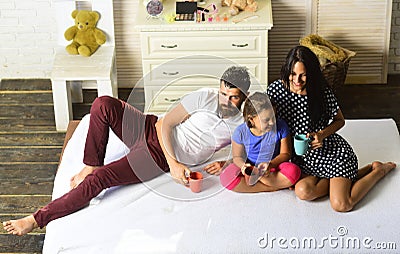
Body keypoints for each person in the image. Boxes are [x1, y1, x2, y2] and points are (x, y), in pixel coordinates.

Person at [2, 66, 251, 236]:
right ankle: (92, 162)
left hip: (154, 158)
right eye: (223, 93)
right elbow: (165, 123)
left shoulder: (241, 123)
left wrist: (225, 163)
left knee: (99, 180)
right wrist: (174, 164)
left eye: (233, 97)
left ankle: (35, 220)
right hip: (152, 129)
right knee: (103, 104)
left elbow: (248, 153)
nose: (225, 101)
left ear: (244, 97)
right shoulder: (205, 97)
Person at [266, 45, 396, 212]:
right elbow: (261, 118)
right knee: (303, 191)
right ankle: (353, 175)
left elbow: (340, 121)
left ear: (311, 74)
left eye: (303, 75)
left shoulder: (320, 92)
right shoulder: (275, 90)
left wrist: (321, 134)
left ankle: (378, 171)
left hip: (330, 153)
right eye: (293, 74)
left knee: (342, 204)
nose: (297, 80)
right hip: (303, 159)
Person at [220, 92, 301, 192]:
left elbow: (286, 154)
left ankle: (257, 181)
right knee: (226, 176)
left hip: (272, 167)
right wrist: (243, 166)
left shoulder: (281, 126)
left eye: (274, 117)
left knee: (294, 171)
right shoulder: (240, 132)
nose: (272, 122)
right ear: (251, 119)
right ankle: (272, 187)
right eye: (266, 120)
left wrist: (270, 164)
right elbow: (237, 157)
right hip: (250, 168)